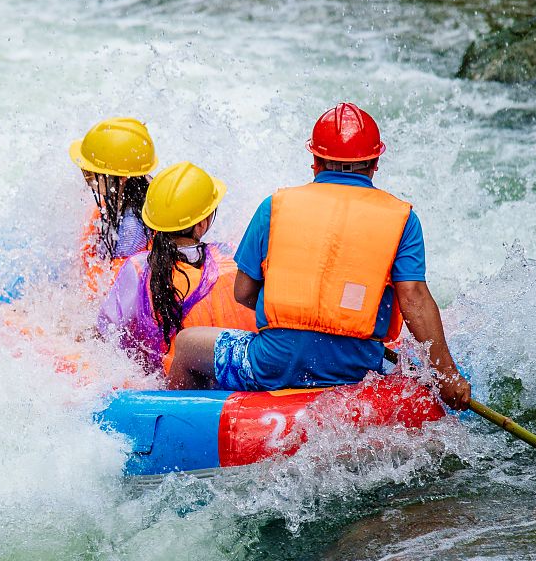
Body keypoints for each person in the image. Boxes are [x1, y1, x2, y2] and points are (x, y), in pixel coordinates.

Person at [167, 103, 471, 409]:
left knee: (187, 344)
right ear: (375, 163)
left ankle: (183, 418)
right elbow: (414, 298)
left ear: (315, 161)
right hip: (356, 369)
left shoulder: (274, 206)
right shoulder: (403, 219)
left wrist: (289, 313)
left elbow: (243, 292)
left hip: (273, 365)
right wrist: (447, 375)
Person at [97, 161, 256, 374]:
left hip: (171, 383)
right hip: (239, 378)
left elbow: (106, 332)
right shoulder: (234, 257)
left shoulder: (138, 269)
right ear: (202, 224)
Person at [69, 117, 157, 297]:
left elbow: (117, 290)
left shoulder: (132, 229)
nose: (86, 176)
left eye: (91, 172)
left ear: (122, 178)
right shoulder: (123, 201)